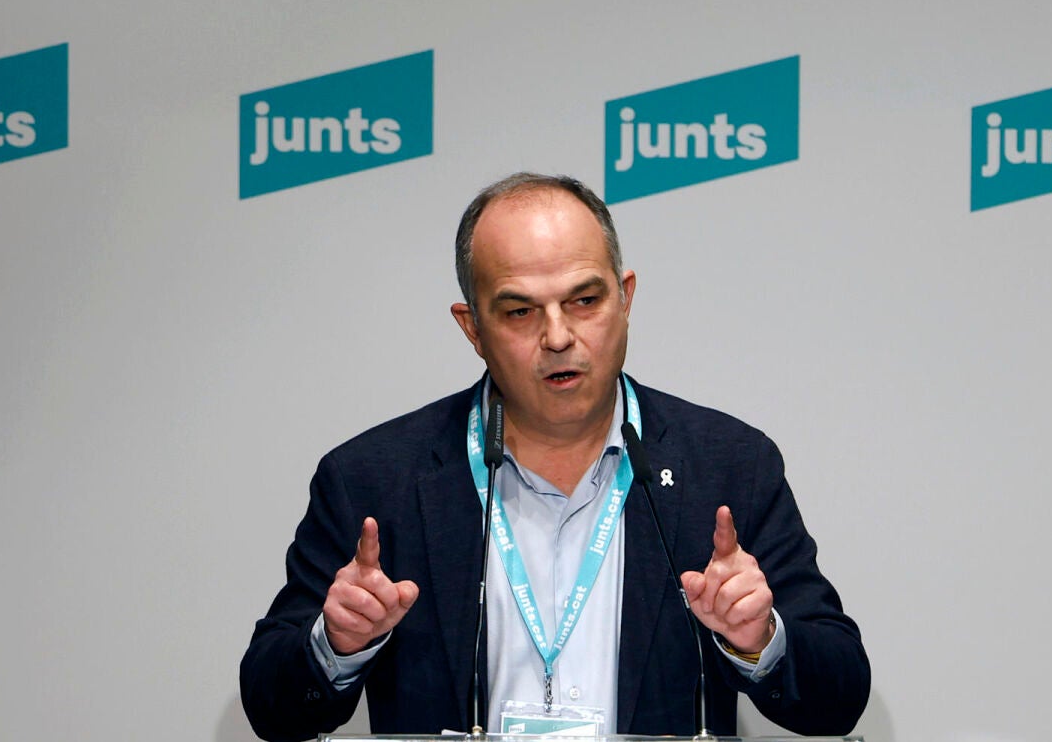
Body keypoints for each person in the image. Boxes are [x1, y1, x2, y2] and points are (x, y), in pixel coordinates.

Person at [240, 173, 868, 741]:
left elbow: (838, 698)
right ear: (472, 327)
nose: (559, 336)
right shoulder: (373, 479)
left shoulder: (729, 466)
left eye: (584, 301)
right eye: (520, 311)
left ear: (625, 298)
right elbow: (270, 704)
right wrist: (337, 644)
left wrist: (760, 639)